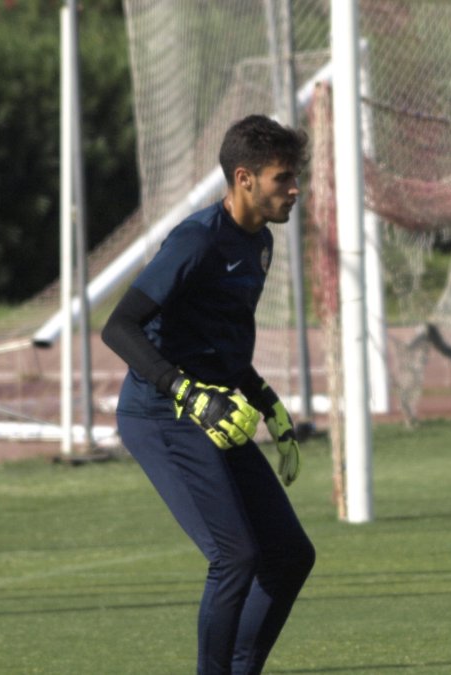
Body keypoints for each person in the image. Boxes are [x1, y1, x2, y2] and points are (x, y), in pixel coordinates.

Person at [102, 114, 314, 675]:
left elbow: (220, 346)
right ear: (244, 179)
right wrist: (183, 391)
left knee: (290, 556)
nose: (295, 190)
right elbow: (119, 327)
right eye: (282, 178)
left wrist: (267, 401)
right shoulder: (196, 240)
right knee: (235, 557)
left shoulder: (259, 243)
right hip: (160, 415)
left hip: (215, 412)